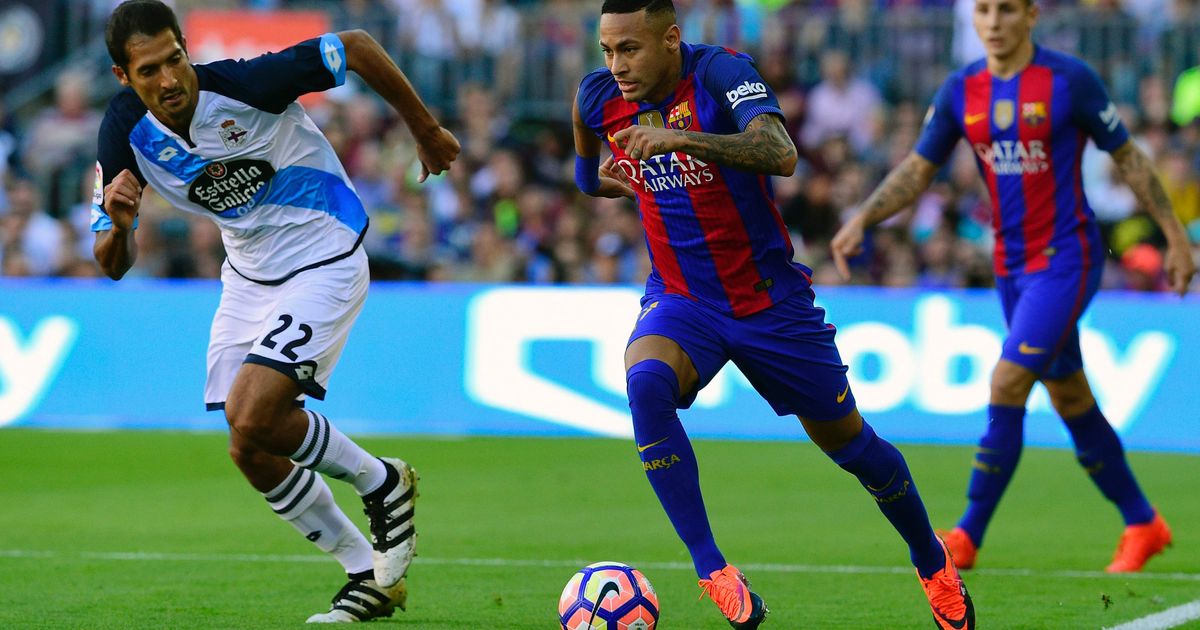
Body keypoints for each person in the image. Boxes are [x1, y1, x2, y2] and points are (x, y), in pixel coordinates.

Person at [572, 1, 974, 628]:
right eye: (607, 50)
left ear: (671, 39)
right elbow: (585, 171)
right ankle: (713, 570)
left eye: (629, 49)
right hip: (683, 298)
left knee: (853, 446)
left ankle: (932, 560)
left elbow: (780, 151)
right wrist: (605, 179)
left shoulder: (720, 73)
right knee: (645, 384)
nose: (615, 65)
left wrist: (683, 140)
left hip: (769, 302)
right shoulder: (598, 96)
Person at [92, 1, 460, 621]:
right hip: (247, 276)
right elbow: (111, 263)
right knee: (249, 447)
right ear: (123, 76)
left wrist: (423, 130)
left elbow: (357, 45)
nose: (170, 79)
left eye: (175, 59)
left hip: (324, 252)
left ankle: (382, 481)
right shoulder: (123, 131)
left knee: (253, 410)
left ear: (186, 49)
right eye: (149, 70)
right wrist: (122, 225)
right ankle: (365, 572)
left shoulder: (248, 84)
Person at [831, 0, 1195, 574]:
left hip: (1067, 258)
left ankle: (967, 535)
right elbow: (919, 168)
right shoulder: (961, 89)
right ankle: (1143, 522)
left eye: (1006, 10)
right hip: (1010, 265)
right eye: (984, 10)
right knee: (1069, 394)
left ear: (1031, 15)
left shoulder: (1069, 80)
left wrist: (1174, 237)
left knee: (1007, 379)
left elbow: (1128, 159)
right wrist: (863, 219)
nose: (994, 22)